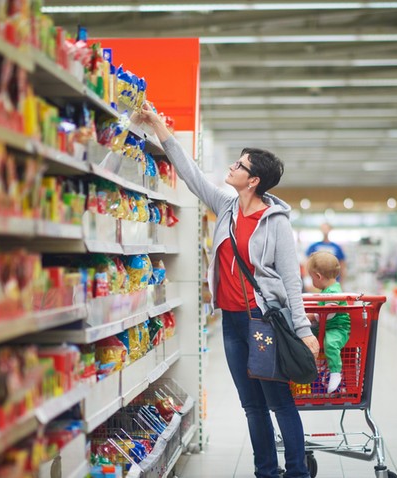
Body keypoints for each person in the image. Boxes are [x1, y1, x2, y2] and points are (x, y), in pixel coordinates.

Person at [136, 103, 318, 478]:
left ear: (254, 181)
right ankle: (266, 471)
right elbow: (191, 175)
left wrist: (303, 330)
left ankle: (297, 472)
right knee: (251, 405)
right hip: (233, 323)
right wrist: (158, 126)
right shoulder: (226, 207)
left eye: (240, 166)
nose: (232, 168)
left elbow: (291, 279)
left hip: (264, 322)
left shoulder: (276, 223)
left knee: (278, 401)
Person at [305, 251, 350, 393]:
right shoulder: (327, 290)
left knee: (330, 343)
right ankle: (309, 368)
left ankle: (336, 373)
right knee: (306, 336)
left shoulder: (333, 292)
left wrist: (312, 316)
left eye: (311, 277)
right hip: (326, 327)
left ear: (318, 276)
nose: (312, 281)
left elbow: (329, 314)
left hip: (338, 327)